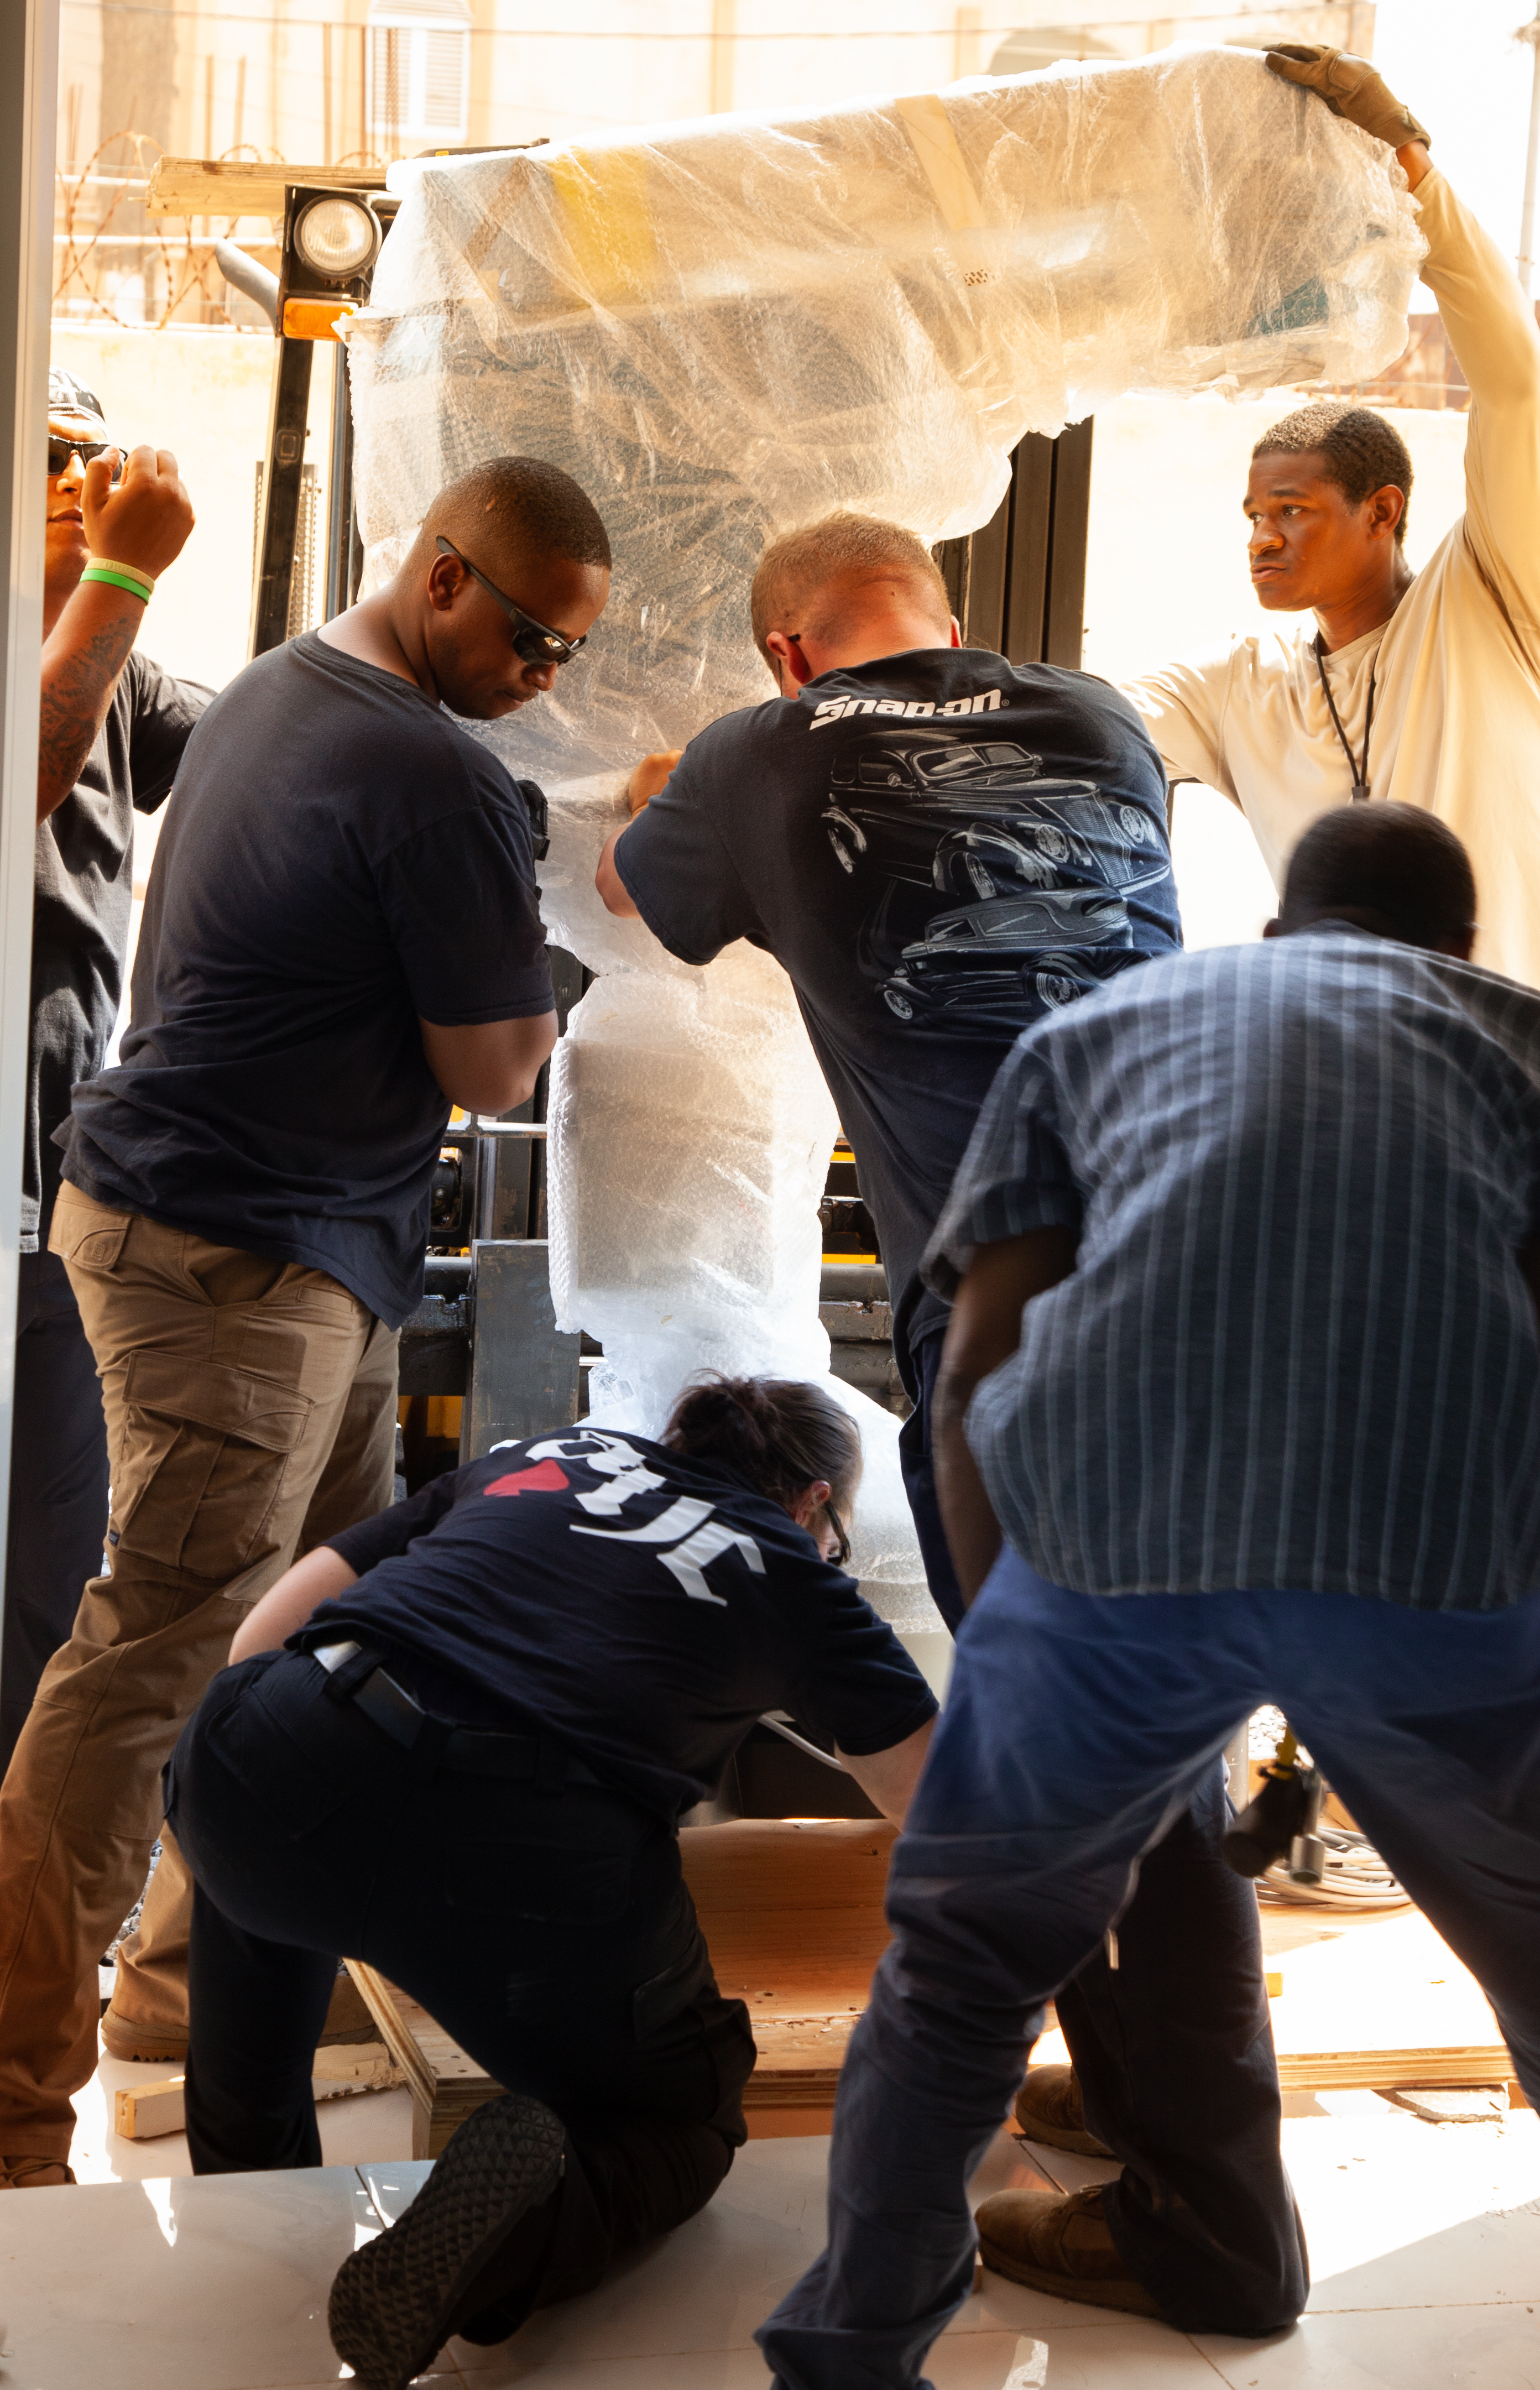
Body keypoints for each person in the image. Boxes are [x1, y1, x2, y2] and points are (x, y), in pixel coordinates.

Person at [758, 803, 1540, 2390]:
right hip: (1427, 1557)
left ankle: (845, 2357)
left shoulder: (1094, 1032)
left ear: (1276, 931)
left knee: (959, 1978)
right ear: (1458, 949)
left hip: (1115, 1541)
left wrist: (1018, 1638)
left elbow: (978, 1363)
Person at [598, 515, 1309, 2335]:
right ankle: (1143, 2104)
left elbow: (634, 884)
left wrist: (677, 788)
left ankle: (1217, 2231)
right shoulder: (1097, 719)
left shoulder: (764, 753)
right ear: (948, 616)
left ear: (785, 652)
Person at [1124, 44, 1540, 1872]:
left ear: (1384, 510)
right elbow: (1097, 726)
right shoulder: (1240, 684)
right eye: (1247, 513)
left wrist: (1405, 161)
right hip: (1419, 1114)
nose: (1260, 537)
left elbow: (1511, 371)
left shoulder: (1488, 602)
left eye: (1293, 510)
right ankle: (1378, 1802)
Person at [0, 455, 609, 2189]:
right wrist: (551, 949)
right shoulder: (430, 770)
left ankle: (191, 1997)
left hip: (276, 1240)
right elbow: (494, 1068)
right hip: (238, 1257)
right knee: (155, 1649)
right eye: (531, 637)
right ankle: (11, 2088)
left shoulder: (287, 682)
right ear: (442, 577)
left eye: (568, 653)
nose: (542, 675)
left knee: (311, 1633)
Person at [165, 1374, 936, 2390]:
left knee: (264, 1862)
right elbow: (942, 1806)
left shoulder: (547, 1454)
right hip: (518, 1843)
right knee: (683, 2117)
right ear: (812, 1503)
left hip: (265, 1749)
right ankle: (507, 2242)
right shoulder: (791, 1570)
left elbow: (262, 1636)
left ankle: (245, 2216)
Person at [4, 369, 199, 1778]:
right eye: (48, 455)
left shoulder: (125, 680)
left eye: (94, 454)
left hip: (57, 1194)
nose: (80, 480)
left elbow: (305, 737)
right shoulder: (79, 653)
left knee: (53, 1569)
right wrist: (126, 572)